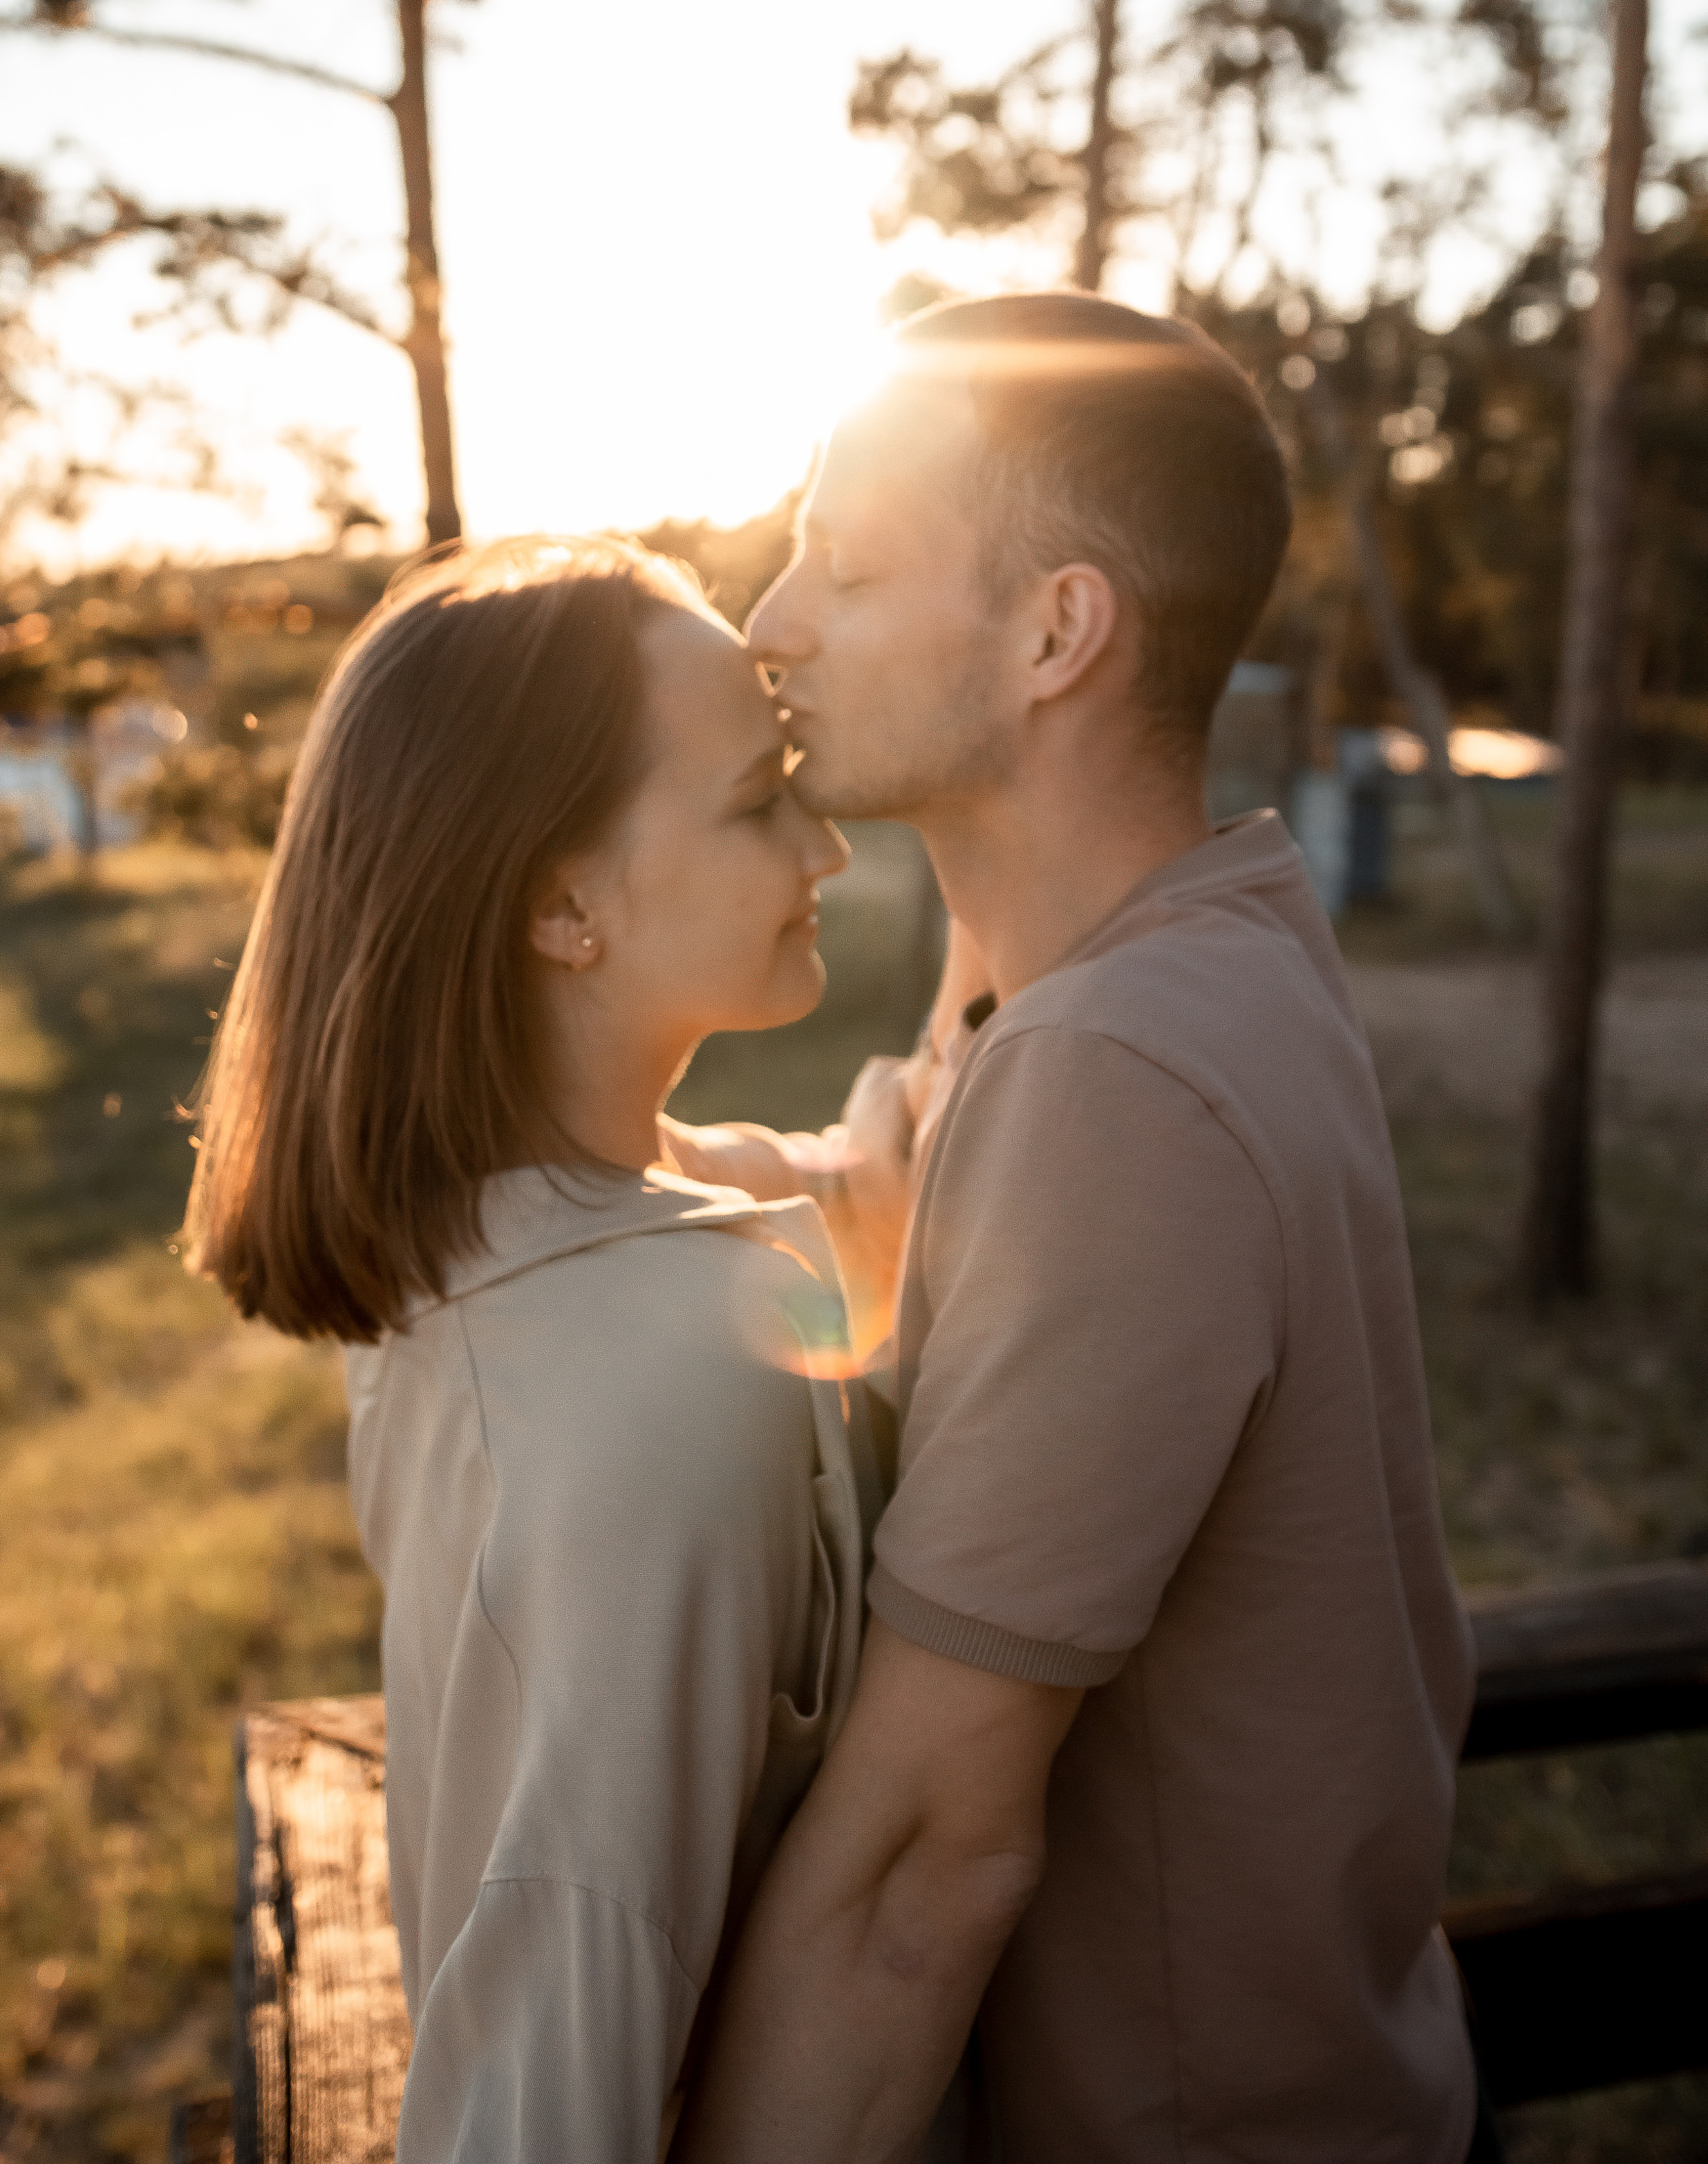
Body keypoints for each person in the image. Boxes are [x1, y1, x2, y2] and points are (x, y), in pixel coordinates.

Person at [678, 292, 1487, 2164]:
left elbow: (923, 1868)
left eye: (843, 568)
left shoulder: (1114, 1067)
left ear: (1057, 633)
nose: (770, 624)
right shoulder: (1172, 950)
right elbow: (895, 1203)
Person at [185, 536, 885, 2163]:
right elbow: (555, 2065)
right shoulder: (666, 1383)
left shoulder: (474, 1238)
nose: (828, 845)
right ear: (560, 906)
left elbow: (800, 1181)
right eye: (758, 800)